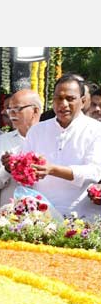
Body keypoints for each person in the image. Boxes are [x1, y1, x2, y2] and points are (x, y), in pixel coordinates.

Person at [15, 74, 101, 218]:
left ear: (83, 100)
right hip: (40, 217)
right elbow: (25, 173)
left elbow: (94, 172)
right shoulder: (37, 130)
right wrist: (17, 165)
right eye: (58, 98)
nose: (63, 104)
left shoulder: (96, 130)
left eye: (70, 98)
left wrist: (53, 169)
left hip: (82, 216)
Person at [0, 89, 42, 207]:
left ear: (35, 110)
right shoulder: (3, 140)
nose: (11, 114)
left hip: (45, 211)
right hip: (10, 214)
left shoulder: (50, 138)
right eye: (9, 109)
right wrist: (7, 171)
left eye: (17, 109)